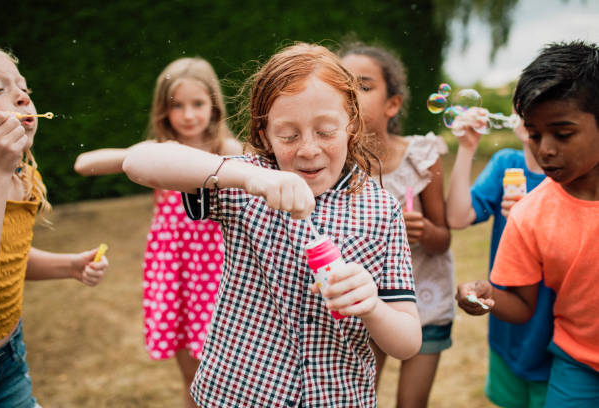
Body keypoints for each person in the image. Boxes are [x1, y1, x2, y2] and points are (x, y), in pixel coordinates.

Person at [123, 42, 422, 408]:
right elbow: (139, 161)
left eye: (326, 131)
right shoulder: (246, 187)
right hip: (237, 396)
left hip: (336, 399)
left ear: (352, 126)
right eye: (288, 135)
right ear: (264, 135)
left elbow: (408, 342)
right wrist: (245, 177)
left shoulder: (382, 211)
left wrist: (373, 306)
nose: (308, 149)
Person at [74, 57, 241, 408]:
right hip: (176, 273)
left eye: (198, 104)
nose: (188, 115)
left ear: (214, 104)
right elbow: (84, 163)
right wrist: (148, 154)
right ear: (163, 111)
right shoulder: (158, 155)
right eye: (176, 106)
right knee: (194, 381)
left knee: (229, 377)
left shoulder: (226, 151)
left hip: (217, 276)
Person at [456, 40, 599, 408]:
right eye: (534, 134)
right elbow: (522, 305)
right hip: (578, 365)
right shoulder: (529, 214)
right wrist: (486, 296)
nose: (545, 149)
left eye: (562, 134)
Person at [0, 46, 108, 407]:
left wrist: (68, 265)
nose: (22, 96)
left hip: (7, 360)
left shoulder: (20, 174)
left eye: (24, 88)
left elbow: (7, 257)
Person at [340, 43, 453, 408]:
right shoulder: (336, 169)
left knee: (411, 403)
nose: (351, 95)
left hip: (426, 304)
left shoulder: (421, 157)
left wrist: (424, 233)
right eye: (342, 86)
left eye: (364, 85)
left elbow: (444, 239)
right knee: (357, 398)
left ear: (393, 105)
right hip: (370, 309)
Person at [446, 103, 552, 408]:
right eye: (522, 104)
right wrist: (466, 149)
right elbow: (458, 217)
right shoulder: (507, 164)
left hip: (557, 333)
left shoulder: (575, 178)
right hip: (509, 330)